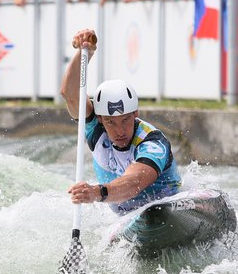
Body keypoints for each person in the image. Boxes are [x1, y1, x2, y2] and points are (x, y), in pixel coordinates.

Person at [62, 29, 182, 213]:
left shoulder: (153, 143)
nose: (120, 130)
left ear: (135, 113)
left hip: (165, 210)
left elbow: (134, 183)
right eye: (111, 122)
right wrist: (84, 52)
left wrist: (96, 193)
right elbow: (70, 94)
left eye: (125, 120)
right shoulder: (95, 128)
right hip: (122, 217)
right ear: (101, 119)